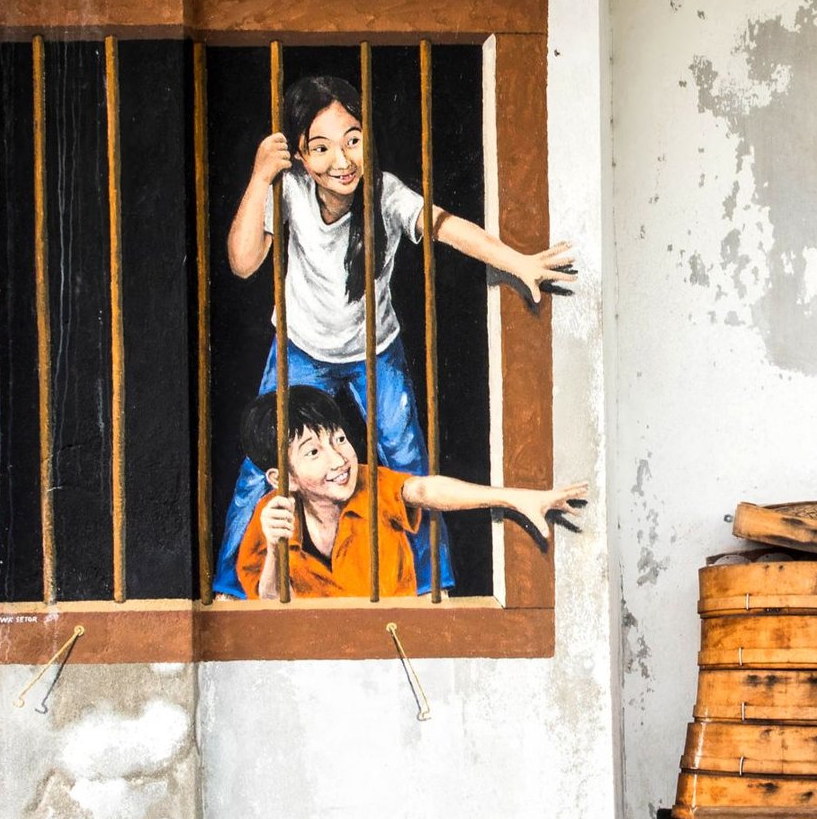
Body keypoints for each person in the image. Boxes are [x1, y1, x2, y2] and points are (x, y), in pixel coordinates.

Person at [216, 72, 576, 599]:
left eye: (353, 140)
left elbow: (447, 226)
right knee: (263, 465)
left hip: (374, 349)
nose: (342, 160)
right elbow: (243, 262)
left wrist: (517, 261)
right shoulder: (288, 189)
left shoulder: (384, 192)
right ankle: (232, 590)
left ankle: (431, 587)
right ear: (300, 156)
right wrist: (259, 175)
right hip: (299, 347)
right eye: (321, 148)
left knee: (406, 464)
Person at [235, 385, 586, 602]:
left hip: (394, 642)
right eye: (313, 452)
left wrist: (514, 498)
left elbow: (424, 488)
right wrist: (275, 548)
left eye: (339, 439)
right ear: (283, 478)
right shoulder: (272, 515)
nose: (339, 459)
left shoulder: (370, 483)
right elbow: (270, 602)